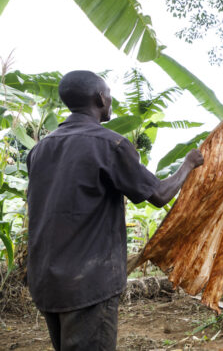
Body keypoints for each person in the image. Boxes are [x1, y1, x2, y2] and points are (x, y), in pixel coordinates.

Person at [26, 70, 204, 350]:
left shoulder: (39, 150)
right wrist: (188, 164)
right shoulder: (110, 144)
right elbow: (158, 194)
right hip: (88, 284)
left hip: (46, 282)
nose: (111, 100)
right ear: (100, 98)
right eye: (108, 94)